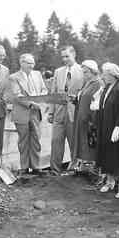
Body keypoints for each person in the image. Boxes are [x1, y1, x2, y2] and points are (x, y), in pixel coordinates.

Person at [7, 53, 48, 175]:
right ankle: (24, 167)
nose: (32, 65)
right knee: (23, 141)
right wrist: (31, 104)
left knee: (36, 139)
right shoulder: (13, 77)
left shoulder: (38, 75)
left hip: (36, 112)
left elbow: (44, 89)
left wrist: (41, 100)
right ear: (22, 63)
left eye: (33, 63)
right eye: (29, 63)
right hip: (22, 112)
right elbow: (17, 95)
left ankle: (35, 166)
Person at [96, 62, 119, 198]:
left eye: (105, 74)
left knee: (118, 156)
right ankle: (110, 181)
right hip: (105, 126)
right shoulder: (107, 88)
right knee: (106, 154)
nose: (103, 76)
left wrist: (118, 127)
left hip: (116, 129)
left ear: (112, 75)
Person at [48, 46, 83, 174]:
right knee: (56, 141)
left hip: (74, 112)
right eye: (62, 57)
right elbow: (53, 92)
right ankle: (55, 169)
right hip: (58, 112)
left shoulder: (82, 71)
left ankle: (75, 168)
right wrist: (51, 112)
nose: (64, 59)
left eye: (67, 56)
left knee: (74, 142)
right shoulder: (58, 72)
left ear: (74, 55)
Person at [71, 60, 102, 172]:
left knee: (90, 142)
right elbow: (83, 98)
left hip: (90, 119)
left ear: (94, 71)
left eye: (86, 72)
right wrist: (75, 99)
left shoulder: (98, 84)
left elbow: (97, 103)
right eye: (83, 72)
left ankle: (93, 167)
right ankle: (84, 165)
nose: (84, 75)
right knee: (83, 142)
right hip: (81, 117)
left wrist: (92, 119)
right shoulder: (87, 83)